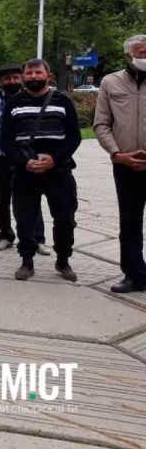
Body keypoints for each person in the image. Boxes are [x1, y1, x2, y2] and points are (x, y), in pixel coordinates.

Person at [1, 59, 81, 283]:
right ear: (24, 76)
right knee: (24, 219)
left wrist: (54, 159)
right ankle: (26, 260)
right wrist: (23, 162)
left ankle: (63, 260)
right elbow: (6, 140)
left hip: (59, 171)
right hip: (25, 173)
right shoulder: (14, 103)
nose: (34, 76)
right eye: (29, 73)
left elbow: (74, 136)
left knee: (65, 218)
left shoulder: (63, 101)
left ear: (49, 75)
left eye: (38, 72)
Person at [94, 34, 146, 293]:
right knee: (130, 222)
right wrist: (117, 154)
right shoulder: (110, 82)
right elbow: (101, 124)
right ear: (128, 56)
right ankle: (134, 274)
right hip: (125, 164)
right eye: (142, 52)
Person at [0, 63, 46, 252]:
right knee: (2, 198)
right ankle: (6, 235)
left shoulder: (30, 99)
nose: (12, 81)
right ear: (0, 81)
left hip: (25, 159)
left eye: (15, 77)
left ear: (22, 79)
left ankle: (38, 238)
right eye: (7, 78)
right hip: (0, 157)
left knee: (31, 198)